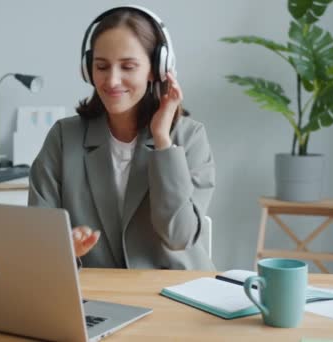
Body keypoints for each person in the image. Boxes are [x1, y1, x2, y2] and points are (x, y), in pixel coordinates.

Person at [28, 6, 215, 270]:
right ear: (87, 69)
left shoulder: (189, 137)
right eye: (101, 66)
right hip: (96, 293)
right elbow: (38, 235)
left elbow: (179, 236)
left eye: (128, 66)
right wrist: (64, 246)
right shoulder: (63, 137)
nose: (112, 80)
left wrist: (162, 141)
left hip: (174, 291)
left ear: (156, 69)